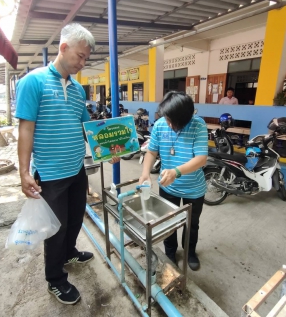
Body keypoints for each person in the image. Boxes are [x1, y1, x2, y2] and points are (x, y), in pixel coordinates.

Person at [16, 23, 119, 305]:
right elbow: (26, 128)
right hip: (50, 174)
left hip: (76, 169)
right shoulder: (33, 82)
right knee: (55, 229)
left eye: (86, 58)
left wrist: (112, 148)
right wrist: (24, 171)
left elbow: (89, 129)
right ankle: (55, 279)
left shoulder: (77, 91)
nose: (83, 63)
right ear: (63, 48)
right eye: (80, 56)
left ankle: (70, 251)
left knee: (75, 218)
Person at [139, 91, 208, 271]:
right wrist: (146, 172)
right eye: (167, 119)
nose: (168, 124)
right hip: (168, 188)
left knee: (192, 223)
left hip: (194, 189)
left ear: (184, 118)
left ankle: (190, 252)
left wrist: (176, 171)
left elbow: (201, 158)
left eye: (172, 121)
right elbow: (152, 151)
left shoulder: (198, 125)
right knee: (168, 223)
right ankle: (170, 252)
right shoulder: (161, 125)